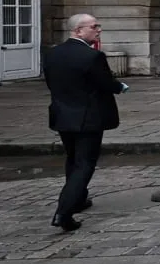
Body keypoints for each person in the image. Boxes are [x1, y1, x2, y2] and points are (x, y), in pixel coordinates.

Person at [44, 13, 129, 232]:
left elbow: (51, 83)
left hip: (63, 115)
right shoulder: (92, 56)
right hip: (88, 118)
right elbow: (105, 82)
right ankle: (64, 211)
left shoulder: (53, 54)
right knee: (84, 163)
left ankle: (79, 198)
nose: (98, 29)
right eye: (94, 26)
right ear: (78, 31)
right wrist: (119, 87)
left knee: (73, 159)